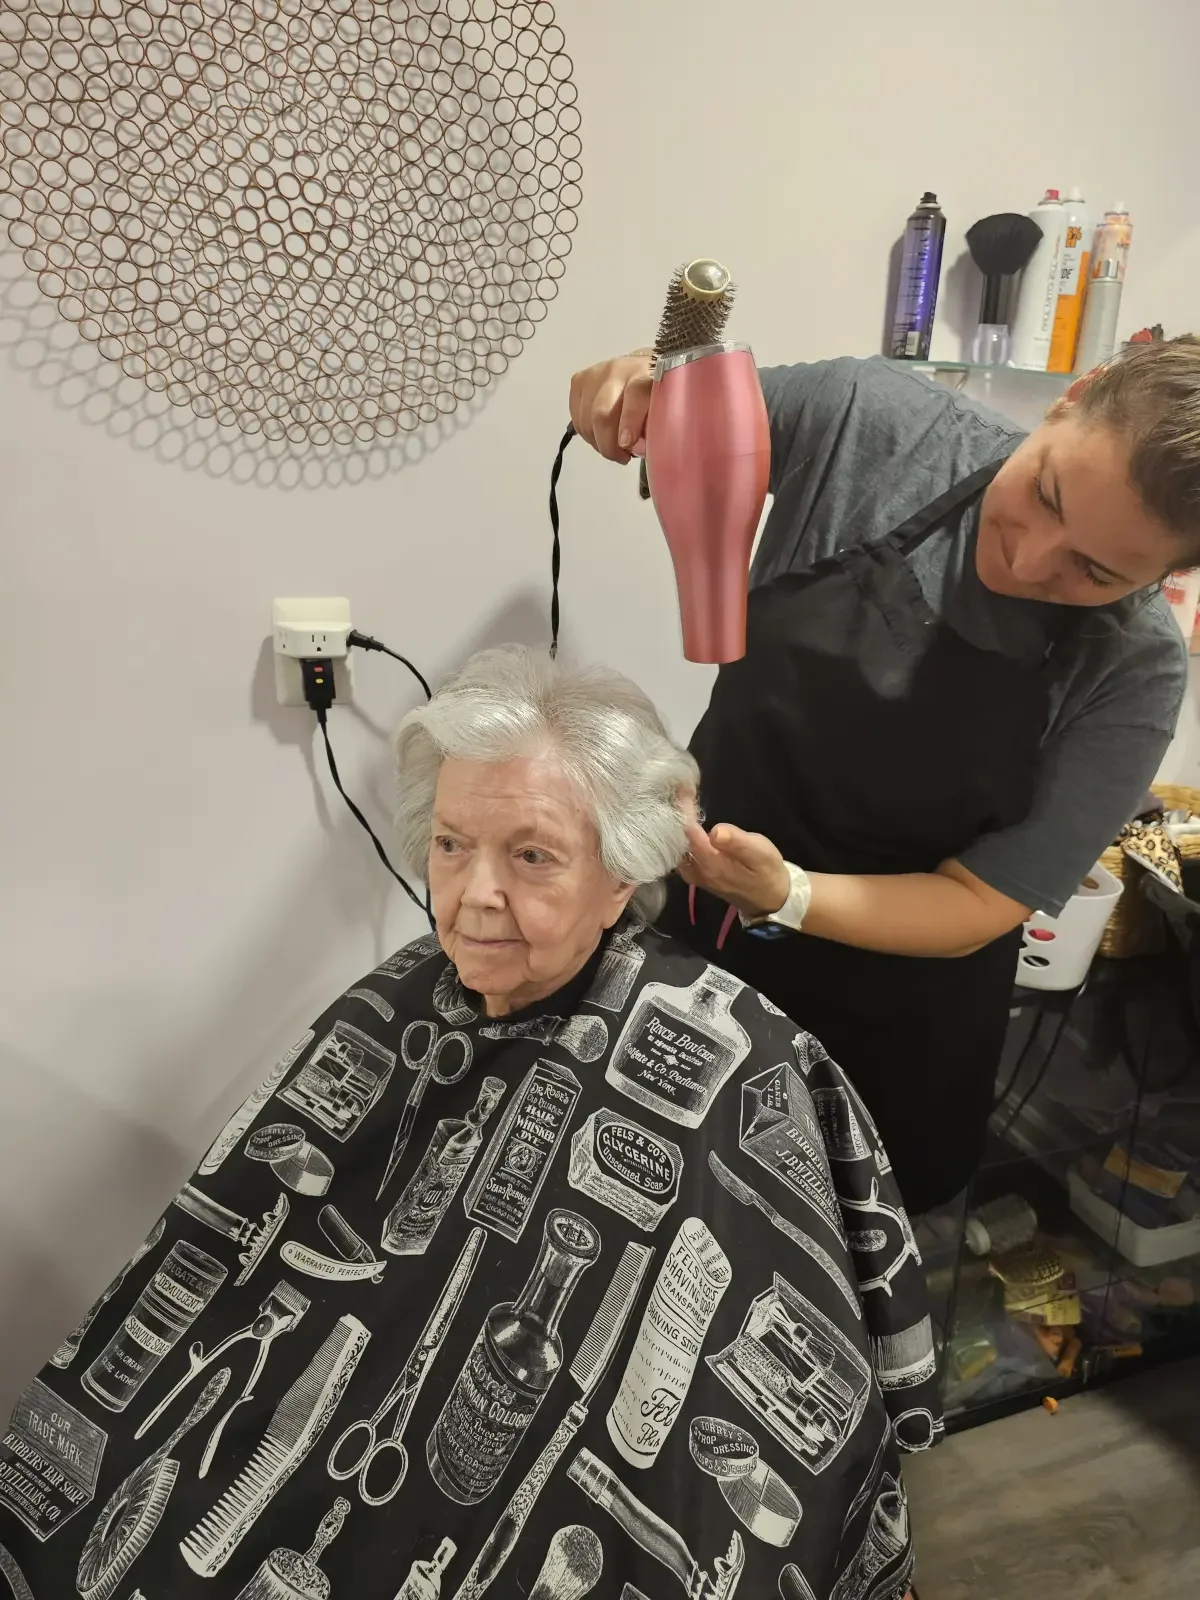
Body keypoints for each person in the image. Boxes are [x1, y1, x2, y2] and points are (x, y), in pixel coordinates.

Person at [0, 646, 937, 1600]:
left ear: (620, 877)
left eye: (530, 855)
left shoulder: (739, 1058)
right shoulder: (401, 999)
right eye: (452, 845)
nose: (475, 894)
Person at [569, 339, 1197, 1214]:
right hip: (703, 941)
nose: (1029, 559)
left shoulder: (1134, 672)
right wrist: (640, 389)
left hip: (902, 1026)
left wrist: (788, 894)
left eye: (1095, 572)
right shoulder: (865, 421)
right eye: (1046, 492)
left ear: (1172, 577)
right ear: (1074, 397)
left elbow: (982, 901)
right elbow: (690, 409)